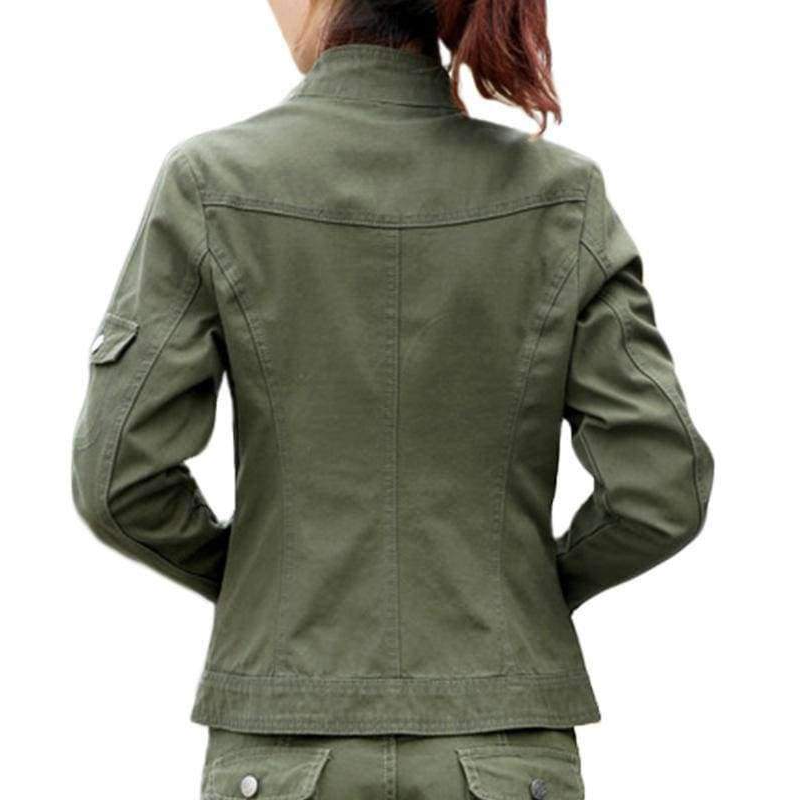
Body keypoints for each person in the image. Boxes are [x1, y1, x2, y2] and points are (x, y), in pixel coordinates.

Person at [71, 1, 715, 797]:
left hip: (285, 748)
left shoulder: (211, 184)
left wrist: (271, 589)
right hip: (504, 748)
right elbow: (662, 488)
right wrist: (522, 594)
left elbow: (118, 480)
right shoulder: (563, 198)